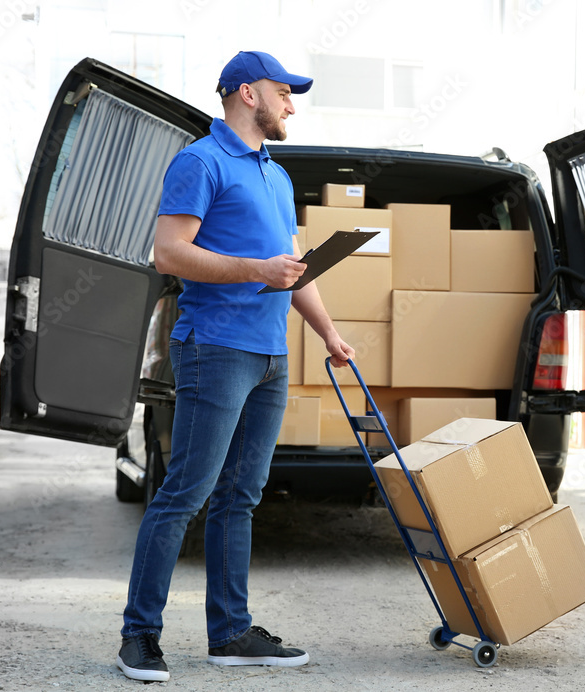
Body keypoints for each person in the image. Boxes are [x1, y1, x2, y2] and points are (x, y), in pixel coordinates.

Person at [116, 51, 354, 683]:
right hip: (215, 349)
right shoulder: (200, 161)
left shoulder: (275, 176)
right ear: (248, 94)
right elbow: (169, 252)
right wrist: (255, 270)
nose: (291, 105)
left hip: (270, 355)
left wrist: (329, 333)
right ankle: (138, 636)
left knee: (241, 496)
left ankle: (231, 633)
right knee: (184, 493)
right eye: (284, 93)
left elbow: (291, 268)